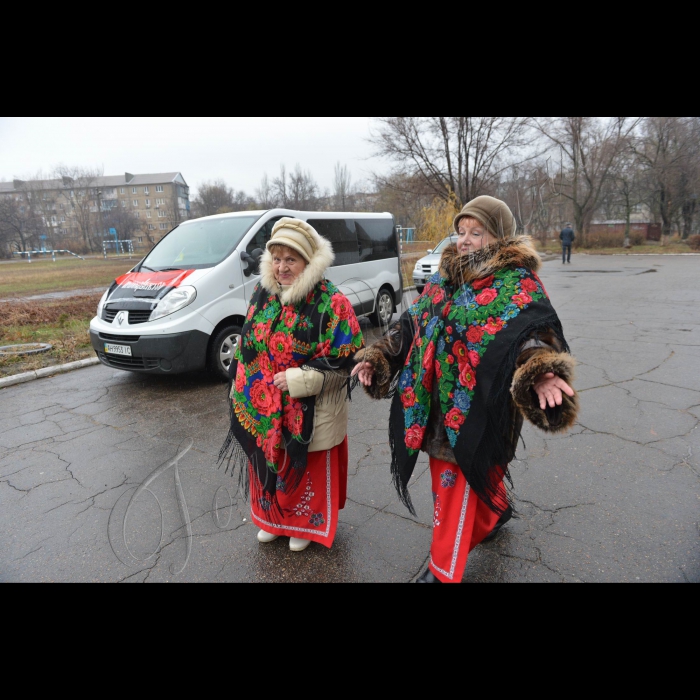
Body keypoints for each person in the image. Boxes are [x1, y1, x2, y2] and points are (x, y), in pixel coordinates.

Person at [352, 196, 579, 584]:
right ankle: (493, 513)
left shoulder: (516, 283)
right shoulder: (445, 279)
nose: (465, 240)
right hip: (439, 406)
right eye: (461, 232)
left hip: (482, 411)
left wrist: (540, 371)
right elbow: (411, 324)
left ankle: (442, 571)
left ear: (500, 237)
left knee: (453, 489)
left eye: (477, 232)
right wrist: (379, 357)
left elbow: (529, 335)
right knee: (474, 476)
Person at [220, 218, 364, 553]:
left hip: (310, 410)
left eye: (291, 259)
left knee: (303, 474)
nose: (282, 266)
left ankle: (304, 527)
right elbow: (249, 344)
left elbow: (346, 365)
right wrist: (241, 383)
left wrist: (301, 380)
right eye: (277, 257)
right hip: (265, 408)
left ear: (308, 262)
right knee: (271, 467)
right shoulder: (262, 293)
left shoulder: (332, 302)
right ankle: (273, 522)